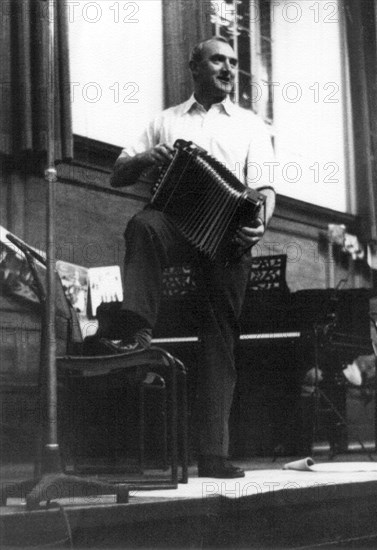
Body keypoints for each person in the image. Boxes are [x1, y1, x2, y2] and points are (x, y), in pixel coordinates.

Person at [102, 36, 276, 478]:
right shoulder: (166, 121)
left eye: (233, 62)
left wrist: (261, 225)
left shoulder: (251, 125)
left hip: (229, 234)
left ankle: (213, 454)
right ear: (195, 67)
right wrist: (146, 157)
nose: (228, 68)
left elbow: (267, 189)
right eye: (218, 59)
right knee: (143, 223)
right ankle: (136, 329)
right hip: (178, 223)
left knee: (220, 339)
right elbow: (118, 173)